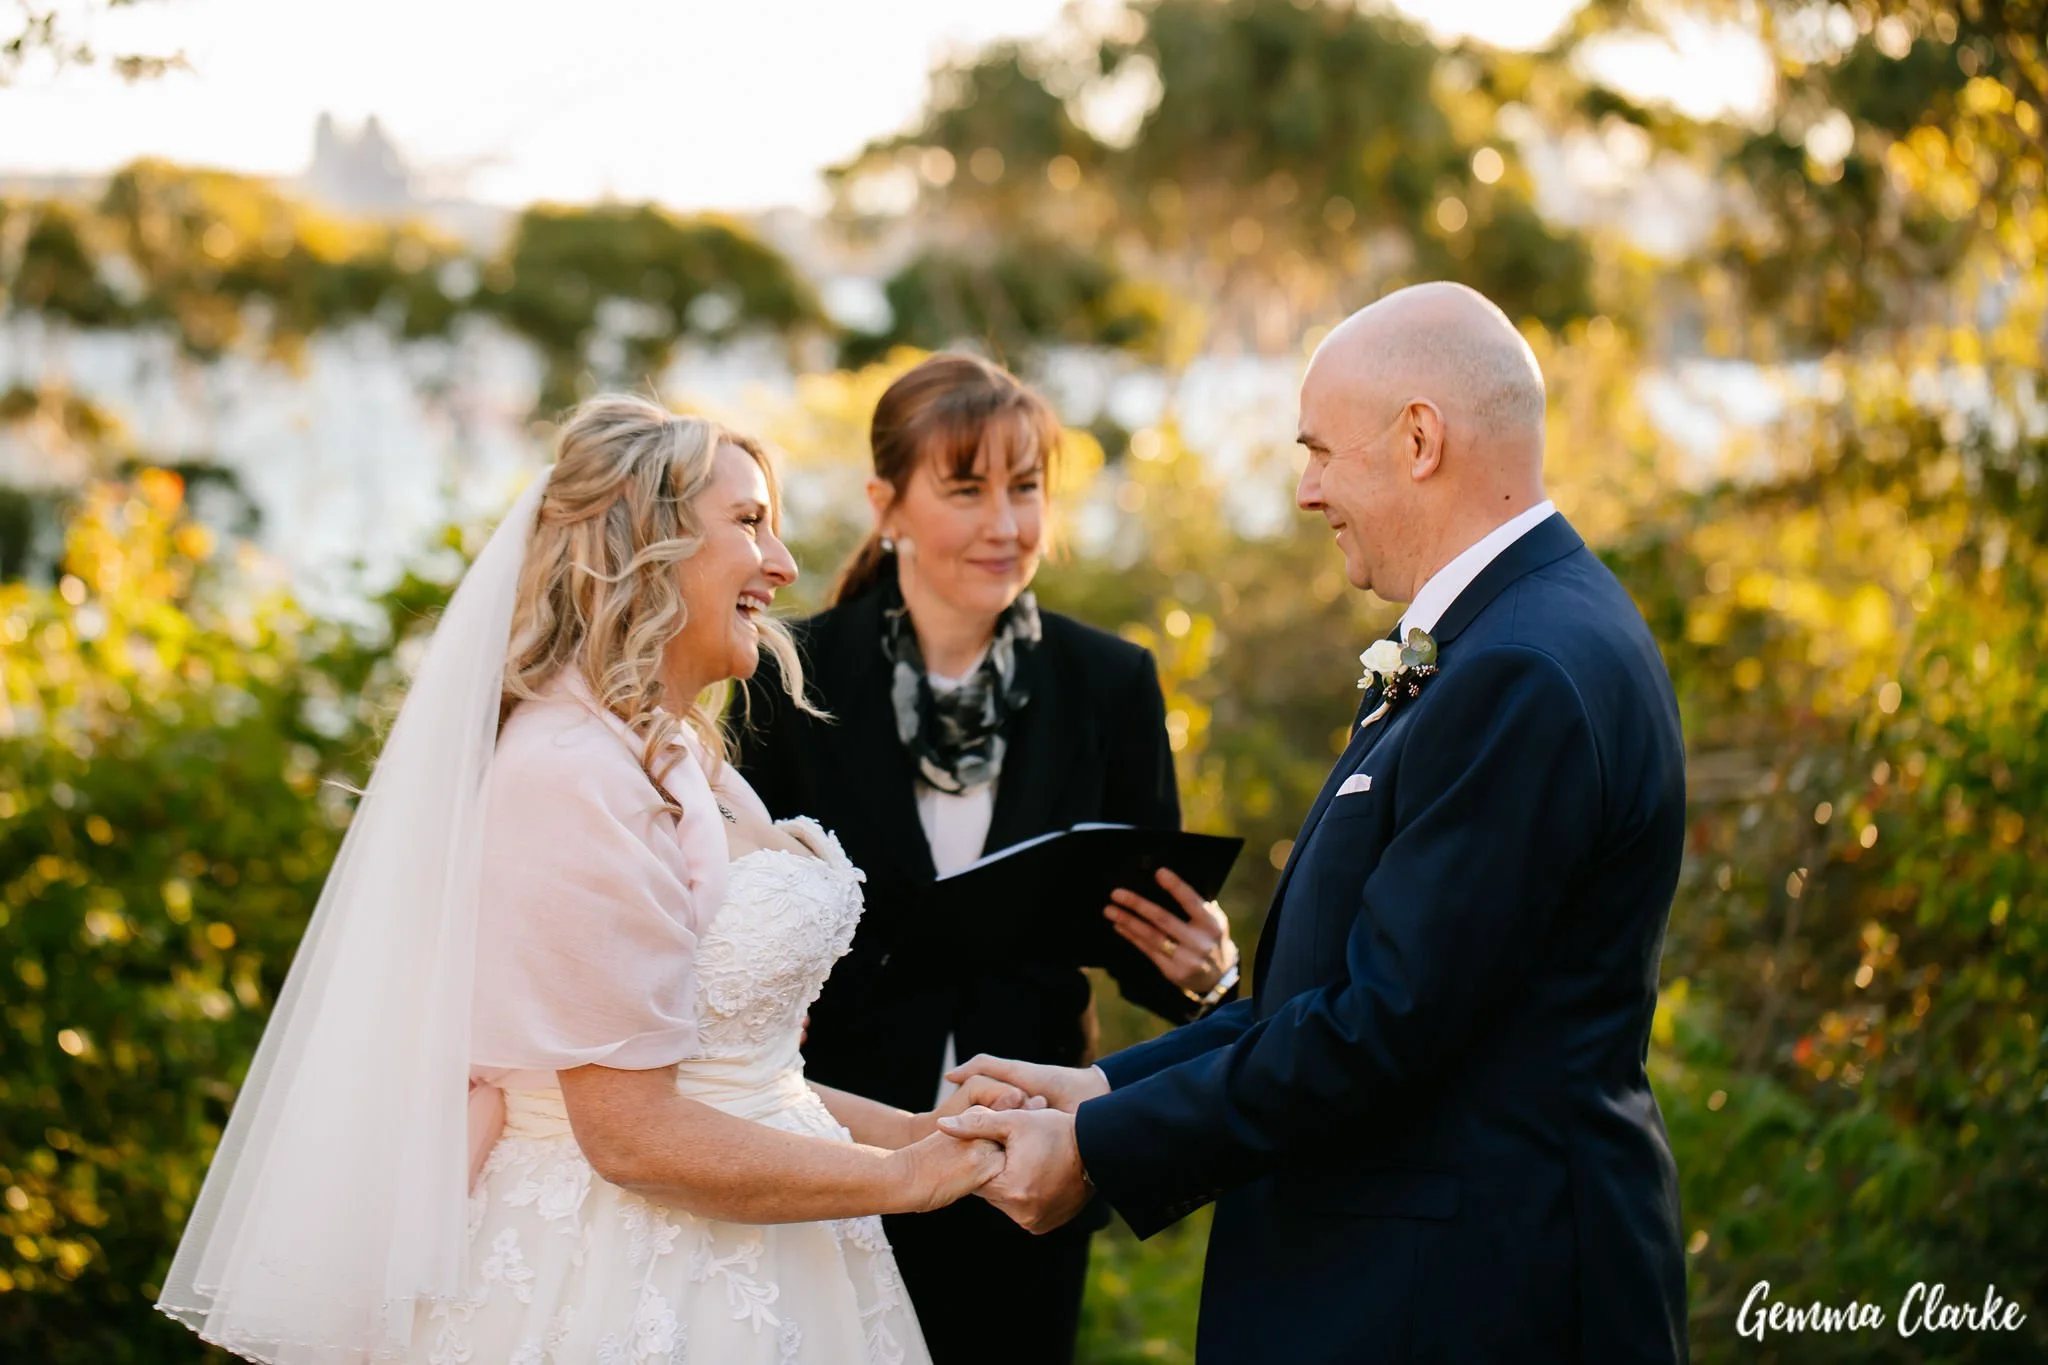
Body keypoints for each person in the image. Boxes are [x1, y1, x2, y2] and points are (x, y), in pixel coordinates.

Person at [158, 395, 1040, 1365]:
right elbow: (631, 1136)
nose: (784, 566)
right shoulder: (567, 772)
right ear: (642, 545)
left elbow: (743, 1079)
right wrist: (907, 1178)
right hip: (623, 1281)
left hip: (773, 1267)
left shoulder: (678, 757)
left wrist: (917, 1129)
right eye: (748, 524)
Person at [944, 284, 1692, 1364]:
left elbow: (1380, 1027)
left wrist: (1096, 1149)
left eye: (1320, 452)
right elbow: (1334, 991)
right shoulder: (1499, 636)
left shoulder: (1519, 668)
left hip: (1470, 1295)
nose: (1304, 492)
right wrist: (1102, 1086)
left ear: (1419, 439)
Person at [735, 353, 1240, 1365]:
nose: (1005, 526)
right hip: (830, 1142)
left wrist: (1207, 976)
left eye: (1025, 488)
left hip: (1028, 1157)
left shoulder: (1109, 683)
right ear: (888, 505)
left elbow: (1140, 942)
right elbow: (735, 908)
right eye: (965, 490)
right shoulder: (788, 672)